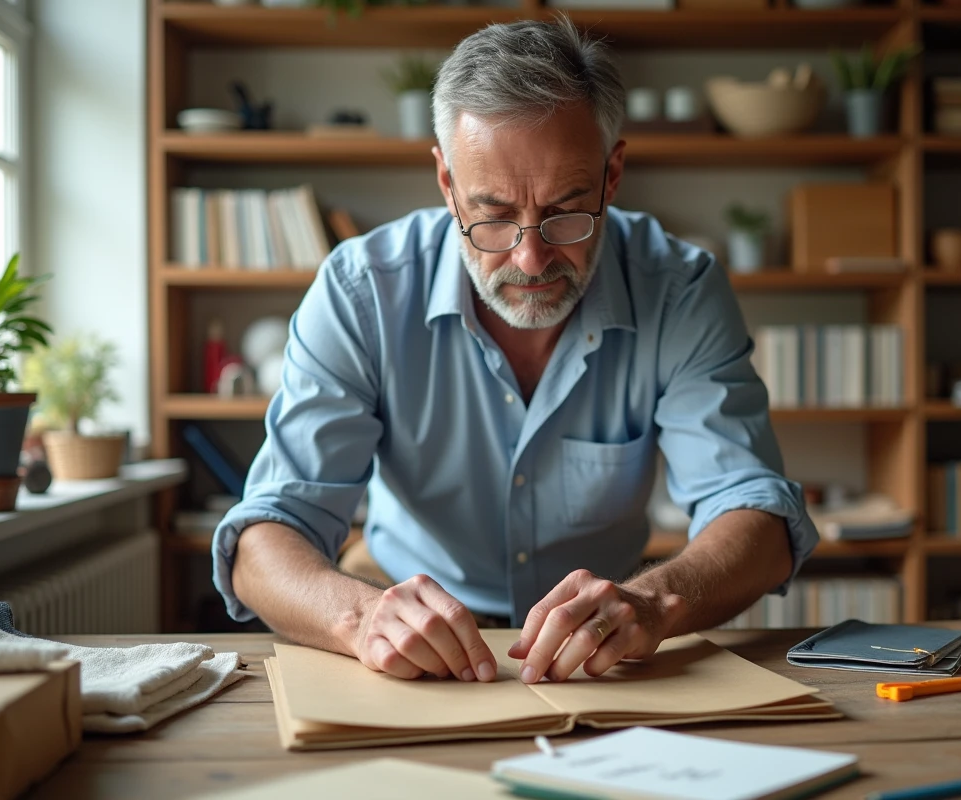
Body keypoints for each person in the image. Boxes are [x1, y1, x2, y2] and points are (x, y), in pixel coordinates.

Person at [213, 17, 818, 687]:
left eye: (566, 210)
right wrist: (361, 619)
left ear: (612, 175)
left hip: (598, 646)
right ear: (446, 182)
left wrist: (650, 600)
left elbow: (756, 515)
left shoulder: (679, 290)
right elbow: (263, 537)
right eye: (493, 214)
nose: (530, 259)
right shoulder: (362, 292)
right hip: (397, 633)